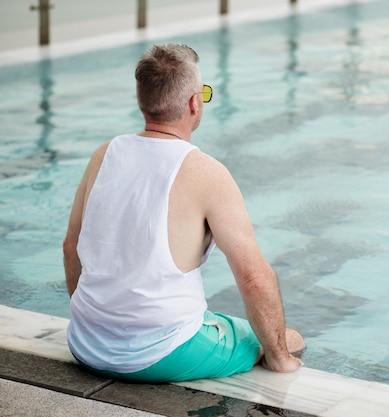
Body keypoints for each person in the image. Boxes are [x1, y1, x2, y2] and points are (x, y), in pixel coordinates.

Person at [62, 43, 304, 382]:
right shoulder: (205, 172)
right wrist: (279, 359)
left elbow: (71, 247)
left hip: (85, 344)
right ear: (194, 102)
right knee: (288, 338)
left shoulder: (104, 155)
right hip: (162, 353)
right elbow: (253, 276)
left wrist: (100, 324)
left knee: (217, 320)